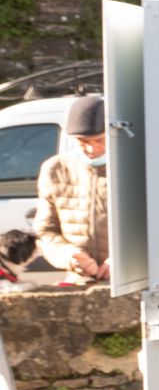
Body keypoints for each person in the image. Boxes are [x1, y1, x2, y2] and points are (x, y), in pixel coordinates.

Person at [36, 94, 109, 283]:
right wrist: (70, 256)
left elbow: (158, 226)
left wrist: (124, 259)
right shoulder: (54, 169)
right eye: (83, 142)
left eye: (99, 140)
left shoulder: (137, 165)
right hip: (80, 279)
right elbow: (45, 231)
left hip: (133, 279)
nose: (91, 149)